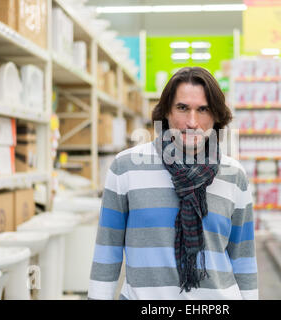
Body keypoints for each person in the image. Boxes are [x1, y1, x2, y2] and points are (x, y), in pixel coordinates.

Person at [88, 66, 258, 300]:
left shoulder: (233, 174)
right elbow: (108, 250)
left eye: (203, 109)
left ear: (217, 115)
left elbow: (243, 258)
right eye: (182, 108)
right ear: (166, 112)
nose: (192, 121)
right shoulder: (126, 167)